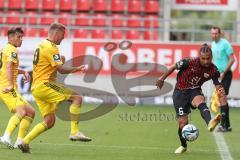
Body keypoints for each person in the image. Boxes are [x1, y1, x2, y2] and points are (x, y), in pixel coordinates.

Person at [18, 23, 91, 153]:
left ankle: (24, 141)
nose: (63, 38)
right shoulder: (51, 48)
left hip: (36, 88)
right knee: (77, 98)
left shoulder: (42, 45)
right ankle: (74, 132)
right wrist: (77, 68)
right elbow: (61, 70)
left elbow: (52, 65)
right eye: (63, 35)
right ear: (56, 33)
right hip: (45, 85)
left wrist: (60, 61)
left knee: (49, 121)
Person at [156, 44, 225, 154]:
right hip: (180, 92)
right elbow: (173, 66)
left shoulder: (213, 69)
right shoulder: (189, 62)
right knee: (183, 123)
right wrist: (162, 79)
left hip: (194, 89)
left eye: (208, 58)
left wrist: (220, 90)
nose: (206, 61)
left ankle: (210, 123)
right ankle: (183, 146)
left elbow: (217, 84)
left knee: (200, 101)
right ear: (199, 56)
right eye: (203, 58)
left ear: (211, 57)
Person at [0, 27, 35, 149]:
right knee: (21, 111)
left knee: (31, 112)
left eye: (22, 37)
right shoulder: (12, 50)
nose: (21, 39)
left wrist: (23, 71)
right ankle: (6, 136)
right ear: (10, 38)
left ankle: (19, 141)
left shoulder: (6, 49)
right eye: (18, 37)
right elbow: (9, 67)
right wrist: (10, 85)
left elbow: (10, 68)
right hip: (7, 88)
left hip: (8, 87)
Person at [211, 26, 235, 132]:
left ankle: (223, 125)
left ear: (220, 34)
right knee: (222, 99)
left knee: (222, 98)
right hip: (218, 75)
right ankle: (227, 125)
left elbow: (232, 59)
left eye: (216, 33)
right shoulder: (212, 44)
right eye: (212, 33)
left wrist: (224, 72)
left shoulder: (225, 43)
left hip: (226, 74)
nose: (214, 35)